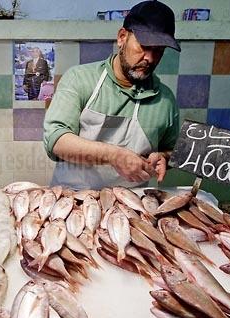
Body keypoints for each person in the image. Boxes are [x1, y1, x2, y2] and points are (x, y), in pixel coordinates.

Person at [43, 0, 181, 190]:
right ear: (122, 37)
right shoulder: (79, 79)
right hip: (72, 198)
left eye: (158, 51)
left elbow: (171, 150)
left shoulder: (165, 100)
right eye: (144, 46)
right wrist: (114, 155)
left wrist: (164, 158)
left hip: (132, 204)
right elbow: (56, 141)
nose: (149, 58)